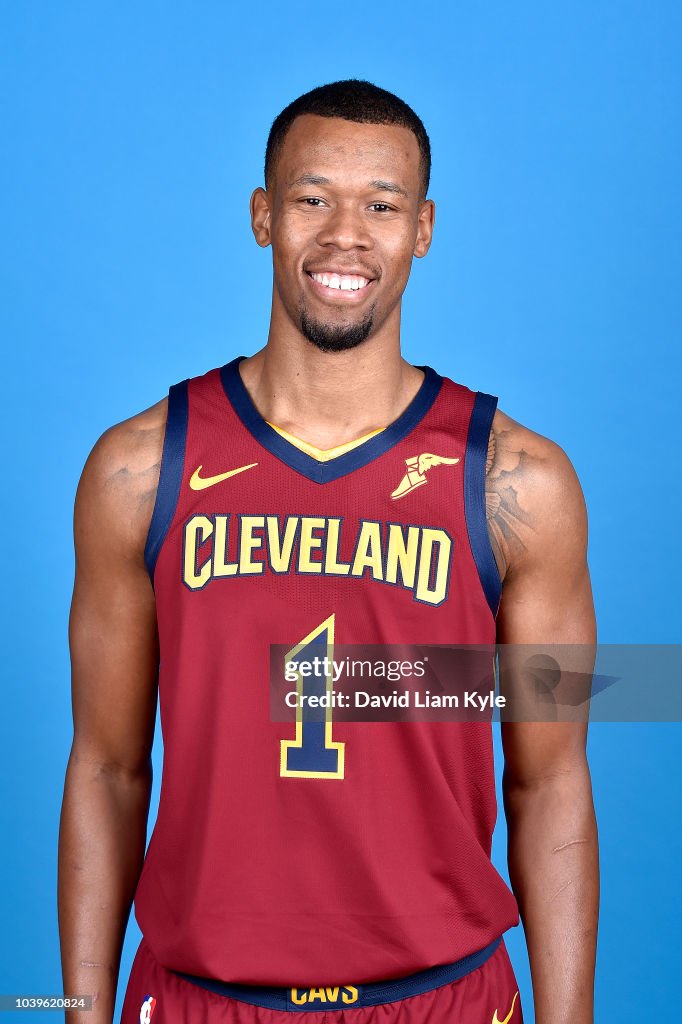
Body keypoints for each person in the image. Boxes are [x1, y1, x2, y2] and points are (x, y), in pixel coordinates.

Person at [58, 79, 598, 1024]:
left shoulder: (518, 485)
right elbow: (107, 768)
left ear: (422, 229)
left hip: (445, 999)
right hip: (201, 998)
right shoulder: (140, 470)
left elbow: (548, 777)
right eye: (312, 198)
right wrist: (77, 1010)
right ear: (263, 215)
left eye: (381, 206)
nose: (346, 234)